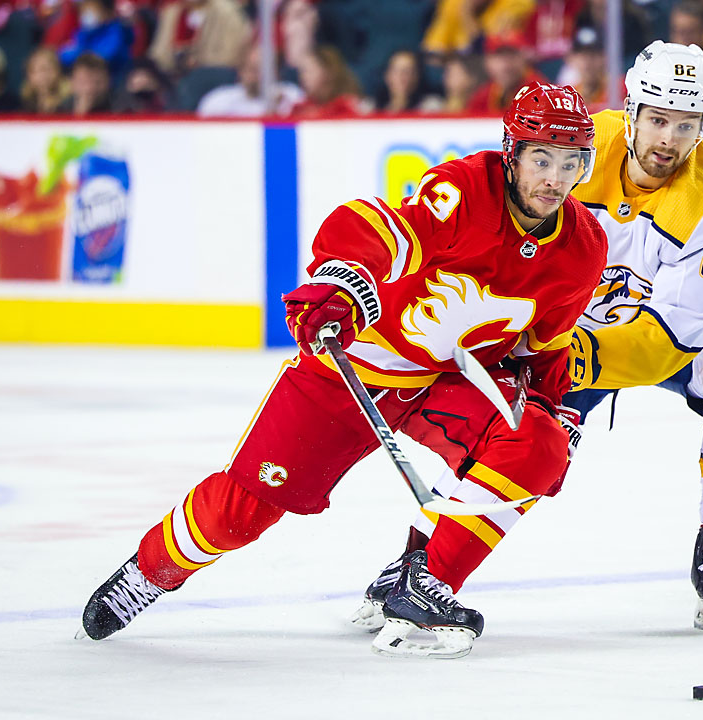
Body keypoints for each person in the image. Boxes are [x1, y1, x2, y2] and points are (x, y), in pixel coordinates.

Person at [77, 82, 608, 660]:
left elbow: (545, 345)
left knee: (538, 443)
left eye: (572, 162)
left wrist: (554, 410)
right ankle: (150, 572)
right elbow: (381, 228)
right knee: (242, 513)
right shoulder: (464, 191)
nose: (556, 179)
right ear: (512, 153)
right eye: (542, 159)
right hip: (357, 366)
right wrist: (344, 283)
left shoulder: (583, 246)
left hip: (451, 381)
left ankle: (422, 582)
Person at [354, 40, 703, 636]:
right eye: (658, 119)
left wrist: (569, 359)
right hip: (575, 316)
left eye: (686, 125)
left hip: (666, 326)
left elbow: (674, 337)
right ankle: (422, 565)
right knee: (524, 439)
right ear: (631, 111)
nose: (668, 139)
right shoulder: (576, 148)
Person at [196, 44, 304, 117]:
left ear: (275, 72)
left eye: (263, 70)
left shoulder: (292, 96)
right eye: (252, 70)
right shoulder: (218, 101)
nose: (257, 77)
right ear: (241, 71)